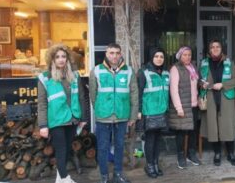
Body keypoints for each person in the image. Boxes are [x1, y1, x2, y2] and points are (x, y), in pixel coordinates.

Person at [89, 43, 138, 183]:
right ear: (106, 53)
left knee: (120, 146)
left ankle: (118, 173)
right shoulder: (96, 71)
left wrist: (133, 115)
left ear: (121, 53)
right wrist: (99, 108)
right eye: (111, 53)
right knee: (103, 147)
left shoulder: (129, 71)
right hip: (103, 116)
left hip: (122, 116)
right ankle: (104, 176)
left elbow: (134, 94)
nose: (114, 56)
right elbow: (93, 95)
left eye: (117, 53)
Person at [37, 44, 86, 183]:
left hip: (72, 118)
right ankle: (65, 178)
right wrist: (43, 125)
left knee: (67, 149)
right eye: (57, 57)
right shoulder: (45, 78)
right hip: (56, 119)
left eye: (63, 56)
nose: (61, 59)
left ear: (68, 58)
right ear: (52, 59)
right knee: (61, 149)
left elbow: (82, 97)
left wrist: (83, 118)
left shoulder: (75, 75)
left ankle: (60, 178)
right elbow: (42, 103)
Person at [199, 40, 235, 166]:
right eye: (212, 47)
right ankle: (217, 153)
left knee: (228, 127)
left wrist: (223, 84)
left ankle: (231, 154)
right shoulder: (204, 63)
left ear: (222, 49)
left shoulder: (229, 63)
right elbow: (198, 80)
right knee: (213, 127)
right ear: (209, 50)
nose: (215, 49)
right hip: (211, 98)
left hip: (226, 98)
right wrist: (202, 84)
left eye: (218, 47)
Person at [137, 48, 169, 178]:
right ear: (151, 57)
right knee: (150, 140)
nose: (159, 58)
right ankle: (149, 165)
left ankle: (155, 164)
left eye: (161, 56)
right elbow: (138, 93)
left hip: (162, 111)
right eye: (156, 56)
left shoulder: (166, 73)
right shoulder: (143, 72)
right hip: (148, 112)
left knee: (158, 140)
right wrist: (138, 111)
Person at [168, 46, 201, 169]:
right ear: (179, 56)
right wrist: (178, 108)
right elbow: (173, 90)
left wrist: (202, 83)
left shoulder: (193, 67)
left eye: (189, 55)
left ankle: (191, 154)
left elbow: (196, 83)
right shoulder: (175, 69)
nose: (187, 57)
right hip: (182, 106)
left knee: (193, 132)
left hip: (193, 105)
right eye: (185, 55)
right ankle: (181, 156)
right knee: (181, 133)